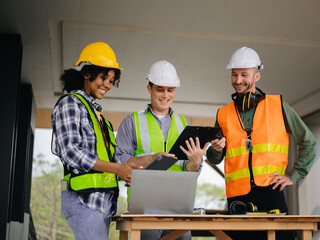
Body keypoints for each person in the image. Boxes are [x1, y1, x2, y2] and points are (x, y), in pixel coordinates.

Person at [206, 47, 317, 240]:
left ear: (256, 76)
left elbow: (309, 142)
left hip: (271, 192)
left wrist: (294, 175)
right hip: (237, 198)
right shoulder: (223, 114)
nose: (238, 80)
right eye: (234, 74)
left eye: (244, 75)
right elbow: (214, 158)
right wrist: (215, 150)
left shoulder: (279, 106)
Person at [51, 42, 139, 240]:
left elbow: (112, 158)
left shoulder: (97, 115)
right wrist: (118, 170)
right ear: (86, 74)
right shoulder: (71, 104)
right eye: (103, 78)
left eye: (111, 80)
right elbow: (71, 152)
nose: (107, 84)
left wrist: (145, 160)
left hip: (101, 202)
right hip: (84, 200)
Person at [115, 60, 209, 240]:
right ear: (149, 88)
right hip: (144, 209)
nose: (166, 95)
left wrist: (195, 164)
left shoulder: (185, 124)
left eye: (170, 89)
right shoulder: (131, 122)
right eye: (160, 89)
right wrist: (150, 158)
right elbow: (119, 161)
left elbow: (189, 169)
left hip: (179, 209)